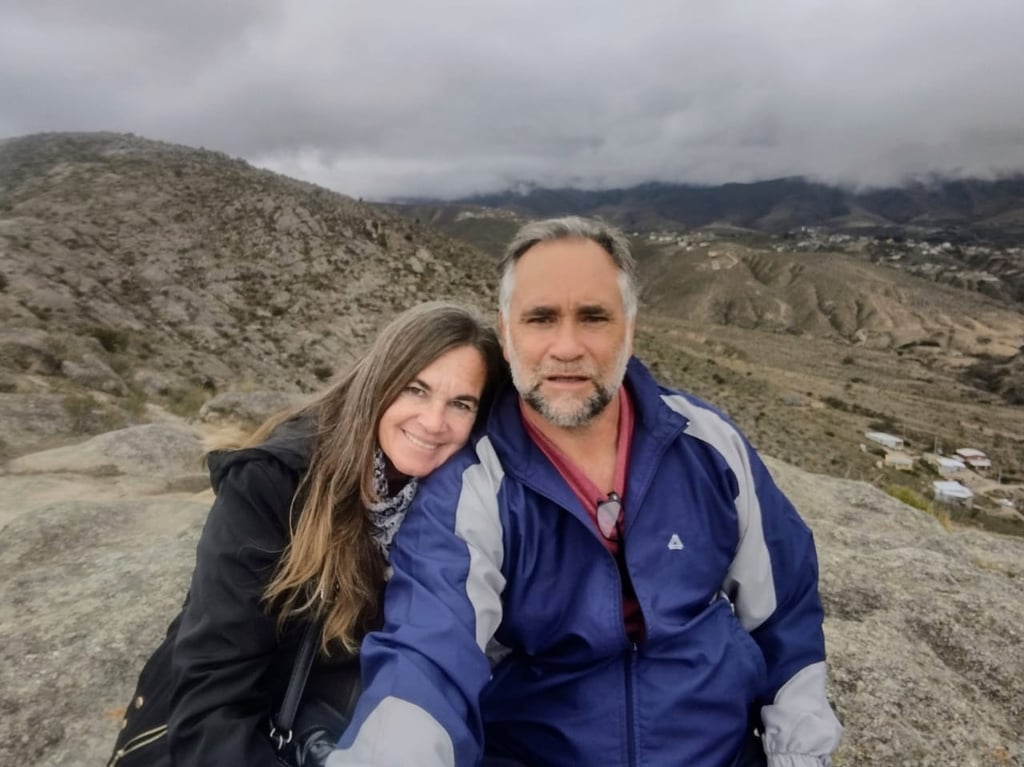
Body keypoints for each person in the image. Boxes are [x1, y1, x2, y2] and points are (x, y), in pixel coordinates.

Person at [327, 217, 843, 767]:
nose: (567, 347)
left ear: (630, 329)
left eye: (594, 317)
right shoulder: (473, 486)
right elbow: (427, 658)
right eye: (540, 318)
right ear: (506, 334)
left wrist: (799, 753)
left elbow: (784, 607)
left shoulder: (707, 444)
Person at [106, 301, 506, 767]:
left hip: (333, 728)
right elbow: (213, 691)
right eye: (416, 390)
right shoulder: (275, 484)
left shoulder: (456, 502)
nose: (434, 422)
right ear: (379, 383)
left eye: (461, 404)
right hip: (230, 738)